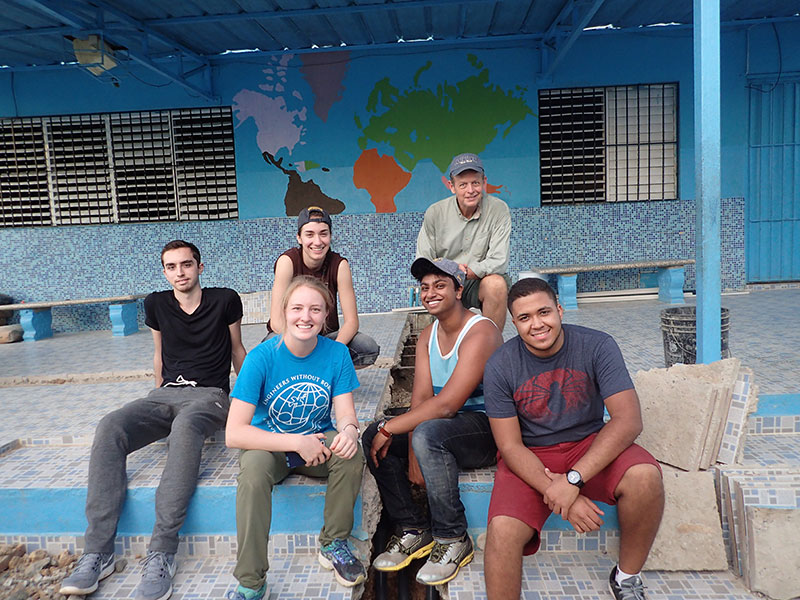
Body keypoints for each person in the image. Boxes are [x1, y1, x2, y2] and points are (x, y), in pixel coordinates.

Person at [60, 240, 246, 600]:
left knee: (186, 425)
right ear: (164, 271)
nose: (180, 273)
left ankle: (162, 551)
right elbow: (159, 354)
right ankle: (98, 552)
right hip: (164, 394)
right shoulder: (156, 304)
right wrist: (156, 397)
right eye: (172, 267)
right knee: (110, 424)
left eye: (187, 265)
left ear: (200, 267)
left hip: (211, 395)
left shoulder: (225, 300)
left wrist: (247, 402)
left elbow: (238, 349)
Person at [482, 277, 665, 600]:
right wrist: (558, 488)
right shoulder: (500, 365)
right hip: (532, 454)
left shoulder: (597, 346)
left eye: (544, 312)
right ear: (514, 323)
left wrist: (574, 480)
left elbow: (628, 420)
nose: (537, 324)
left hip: (588, 445)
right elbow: (509, 445)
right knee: (502, 531)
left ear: (560, 310)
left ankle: (626, 577)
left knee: (645, 478)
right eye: (525, 318)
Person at [363, 257, 503, 586]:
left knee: (412, 431)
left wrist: (393, 428)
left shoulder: (481, 331)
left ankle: (453, 536)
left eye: (440, 285)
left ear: (459, 290)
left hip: (483, 428)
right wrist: (412, 452)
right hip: (440, 429)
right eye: (424, 288)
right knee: (372, 436)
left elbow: (448, 404)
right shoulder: (428, 334)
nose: (430, 293)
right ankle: (413, 529)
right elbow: (422, 399)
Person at [226, 275, 366, 600]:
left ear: (326, 316)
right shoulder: (261, 358)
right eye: (298, 308)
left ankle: (333, 542)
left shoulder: (336, 354)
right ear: (284, 312)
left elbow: (345, 413)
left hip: (316, 442)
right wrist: (295, 442)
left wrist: (348, 430)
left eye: (315, 309)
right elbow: (234, 433)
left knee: (350, 452)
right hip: (270, 445)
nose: (306, 317)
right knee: (252, 473)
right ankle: (251, 580)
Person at [265, 206, 379, 367]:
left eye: (323, 234)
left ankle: (327, 371)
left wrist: (335, 350)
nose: (317, 242)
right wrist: (302, 346)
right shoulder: (287, 262)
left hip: (326, 338)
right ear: (299, 238)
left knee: (366, 347)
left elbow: (352, 321)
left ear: (330, 236)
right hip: (291, 336)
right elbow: (276, 322)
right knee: (271, 345)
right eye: (309, 234)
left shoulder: (340, 265)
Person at [416, 153, 512, 330]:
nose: (470, 190)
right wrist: (450, 271)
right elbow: (423, 259)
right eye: (463, 185)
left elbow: (499, 261)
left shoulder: (499, 209)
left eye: (475, 183)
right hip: (445, 279)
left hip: (478, 280)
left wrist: (466, 272)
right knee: (434, 288)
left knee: (497, 284)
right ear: (452, 187)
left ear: (484, 182)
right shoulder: (435, 213)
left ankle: (492, 346)